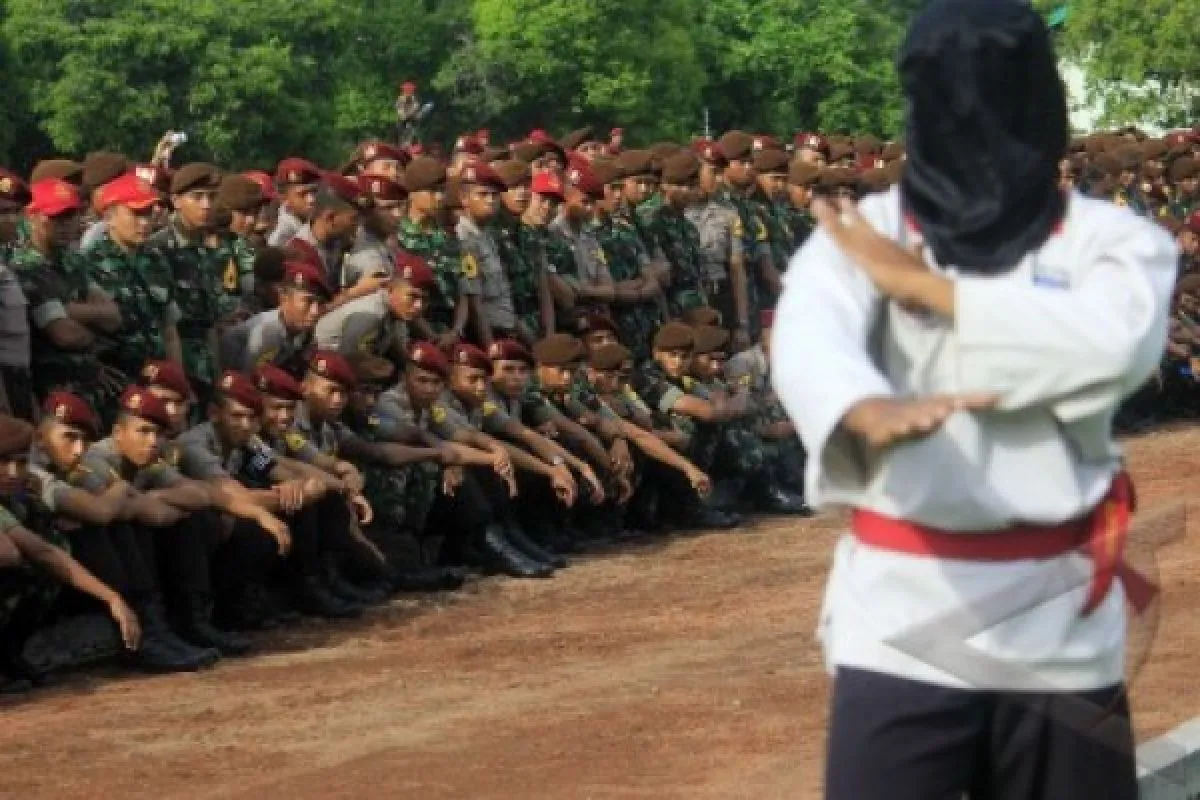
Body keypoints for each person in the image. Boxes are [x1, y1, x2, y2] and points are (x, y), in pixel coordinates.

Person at [771, 2, 1176, 798]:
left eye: (997, 96)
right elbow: (809, 338)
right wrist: (862, 408)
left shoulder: (1113, 240)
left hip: (1059, 621)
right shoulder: (862, 233)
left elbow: (1113, 347)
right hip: (899, 615)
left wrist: (929, 291)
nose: (975, 122)